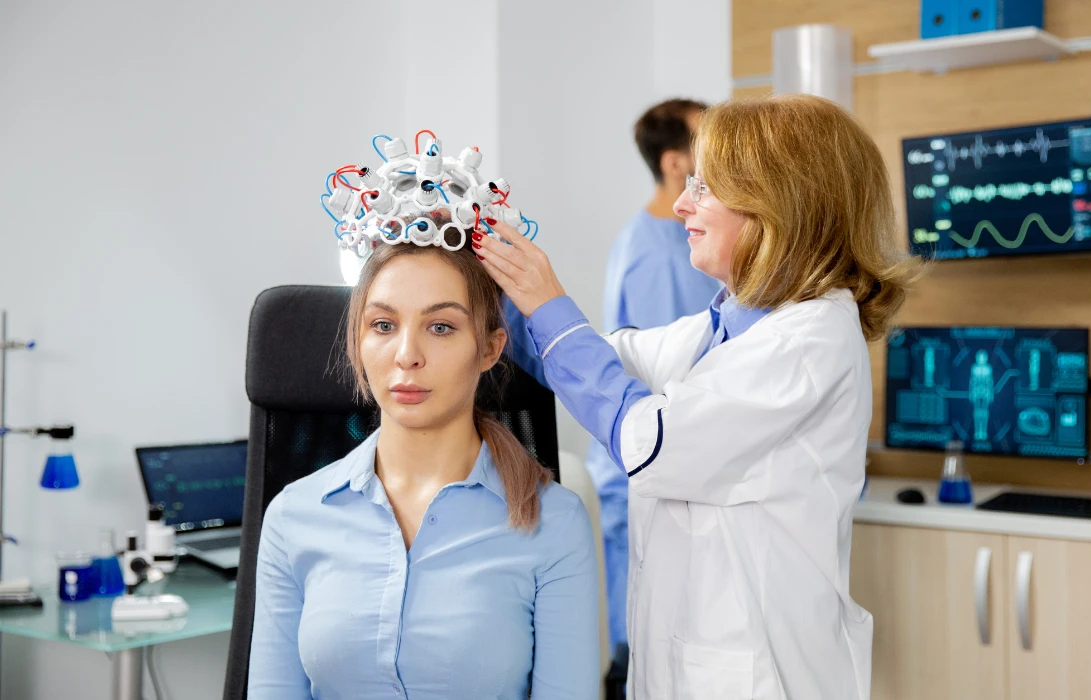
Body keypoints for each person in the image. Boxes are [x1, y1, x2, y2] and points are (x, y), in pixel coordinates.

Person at [476, 94, 917, 699]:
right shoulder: (725, 328)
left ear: (778, 205)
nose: (682, 203)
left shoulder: (807, 341)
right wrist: (486, 278)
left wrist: (549, 302)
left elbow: (649, 440)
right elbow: (592, 361)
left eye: (705, 187)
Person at [248, 238, 600, 699]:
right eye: (383, 325)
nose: (407, 354)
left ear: (490, 349)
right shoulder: (293, 516)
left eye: (440, 327)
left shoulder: (554, 522)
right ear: (357, 342)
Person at [589, 97, 720, 661]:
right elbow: (673, 381)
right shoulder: (658, 254)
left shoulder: (680, 240)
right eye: (707, 144)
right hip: (649, 472)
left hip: (673, 468)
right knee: (646, 651)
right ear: (675, 164)